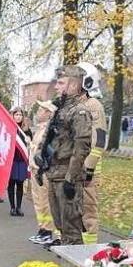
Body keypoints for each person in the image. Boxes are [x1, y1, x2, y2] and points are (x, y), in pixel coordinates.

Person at [44, 66, 93, 246]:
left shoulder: (80, 111)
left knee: (71, 228)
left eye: (61, 83)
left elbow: (82, 147)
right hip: (55, 173)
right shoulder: (61, 109)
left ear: (73, 85)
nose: (57, 87)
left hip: (67, 175)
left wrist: (70, 178)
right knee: (61, 225)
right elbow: (51, 138)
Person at [77, 62, 108, 244]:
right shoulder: (77, 105)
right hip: (75, 166)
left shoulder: (93, 105)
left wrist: (89, 168)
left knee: (88, 209)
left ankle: (89, 247)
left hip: (89, 169)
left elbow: (99, 139)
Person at [28, 100, 58, 245]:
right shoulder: (40, 128)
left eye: (41, 110)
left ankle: (47, 231)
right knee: (39, 202)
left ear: (48, 113)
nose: (37, 112)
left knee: (45, 202)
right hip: (34, 169)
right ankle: (42, 229)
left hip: (43, 171)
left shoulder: (49, 129)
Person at [7, 107, 31, 217]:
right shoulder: (9, 128)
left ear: (23, 117)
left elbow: (31, 143)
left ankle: (19, 207)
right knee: (11, 183)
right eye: (16, 115)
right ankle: (12, 207)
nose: (18, 117)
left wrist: (29, 140)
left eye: (20, 115)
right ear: (12, 116)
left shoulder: (26, 130)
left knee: (20, 183)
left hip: (21, 160)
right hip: (11, 160)